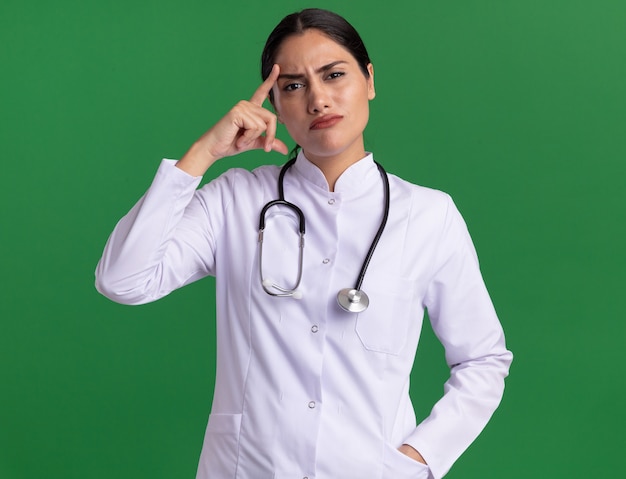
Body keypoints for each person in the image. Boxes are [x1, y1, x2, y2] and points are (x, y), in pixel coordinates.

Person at [95, 8, 512, 479]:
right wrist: (202, 153)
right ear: (272, 102)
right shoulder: (235, 199)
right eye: (292, 85)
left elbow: (482, 358)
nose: (318, 100)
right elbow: (122, 281)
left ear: (369, 79)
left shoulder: (429, 216)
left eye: (335, 75)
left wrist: (421, 456)